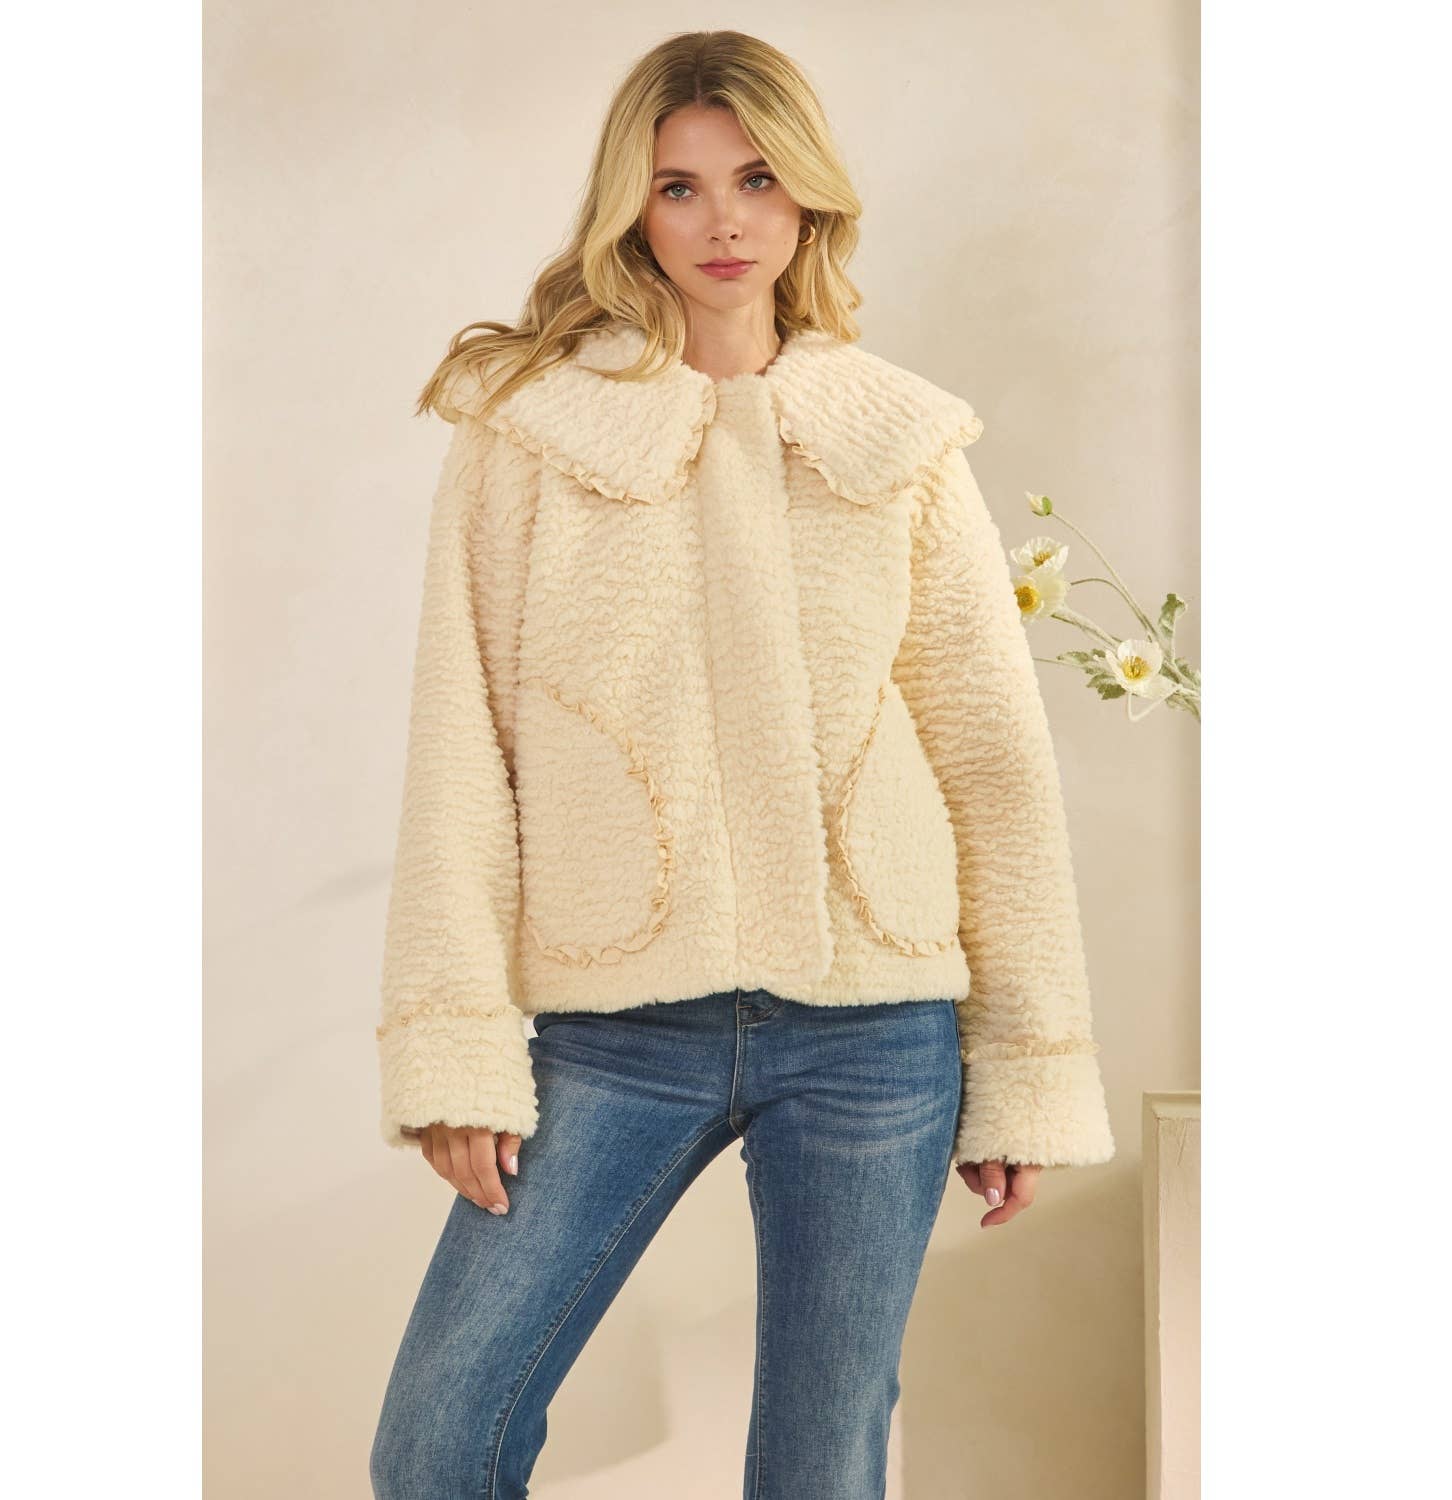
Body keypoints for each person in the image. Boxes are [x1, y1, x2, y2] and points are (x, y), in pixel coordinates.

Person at [369, 29, 1116, 1500]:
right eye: (680, 186)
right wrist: (459, 1050)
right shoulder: (531, 437)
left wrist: (1025, 1067)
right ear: (630, 209)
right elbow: (463, 751)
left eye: (758, 179)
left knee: (823, 1467)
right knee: (440, 1439)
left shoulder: (899, 441)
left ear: (809, 195)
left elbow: (993, 766)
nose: (724, 220)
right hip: (615, 1028)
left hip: (876, 1030)